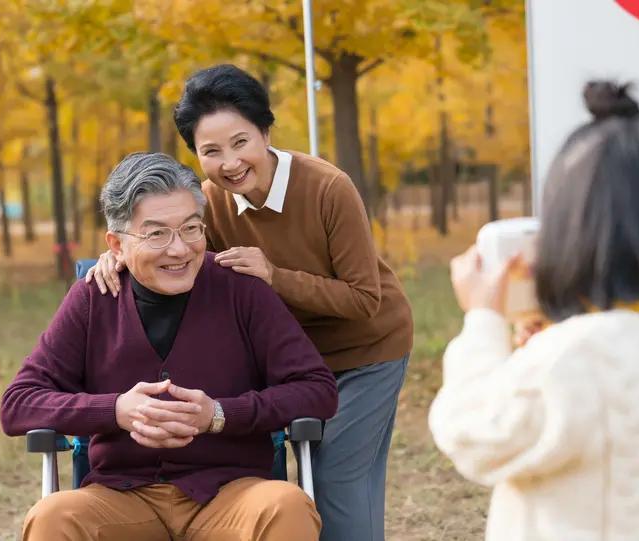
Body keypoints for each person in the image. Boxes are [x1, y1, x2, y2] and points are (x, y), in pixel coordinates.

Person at [86, 64, 414, 541]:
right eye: (211, 151)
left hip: (364, 351)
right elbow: (179, 251)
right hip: (285, 360)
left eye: (240, 142)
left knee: (337, 480)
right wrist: (120, 254)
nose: (230, 162)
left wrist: (275, 277)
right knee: (293, 484)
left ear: (265, 132)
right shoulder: (209, 203)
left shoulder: (328, 188)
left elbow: (365, 299)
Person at [0, 152, 338, 540]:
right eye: (157, 234)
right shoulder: (94, 298)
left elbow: (317, 389)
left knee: (287, 505)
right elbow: (19, 403)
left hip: (231, 495)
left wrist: (219, 414)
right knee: (53, 515)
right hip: (122, 498)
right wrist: (116, 410)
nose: (179, 249)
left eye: (191, 228)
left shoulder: (242, 289)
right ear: (117, 244)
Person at [429, 81, 639, 541]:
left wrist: (483, 320)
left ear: (572, 228)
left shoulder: (578, 356)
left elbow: (473, 432)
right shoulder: (573, 349)